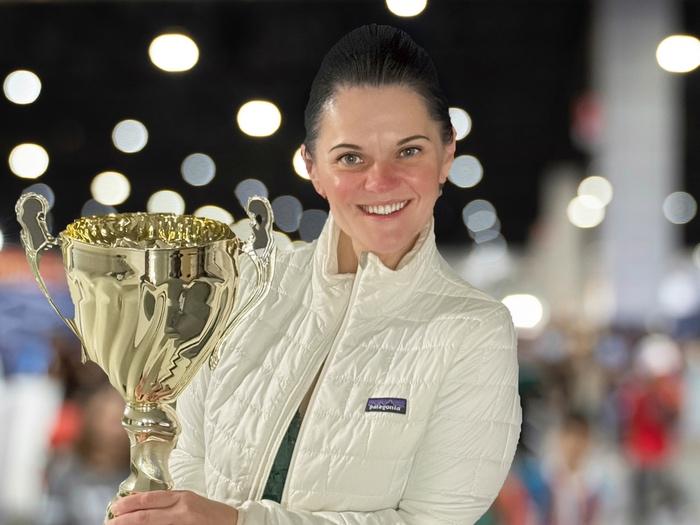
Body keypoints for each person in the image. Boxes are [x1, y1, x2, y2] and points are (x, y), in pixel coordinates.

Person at [108, 23, 521, 525]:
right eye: (350, 158)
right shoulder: (250, 284)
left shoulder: (473, 330)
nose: (380, 181)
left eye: (409, 151)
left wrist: (238, 523)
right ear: (313, 167)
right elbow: (185, 454)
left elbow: (430, 521)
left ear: (447, 155)